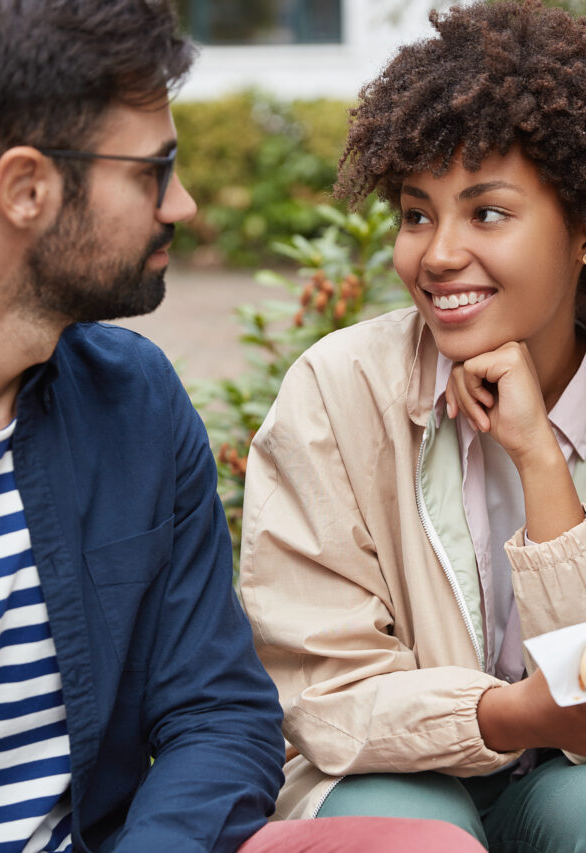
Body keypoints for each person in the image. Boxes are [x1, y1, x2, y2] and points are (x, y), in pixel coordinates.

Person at [0, 1, 490, 852]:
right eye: (152, 171)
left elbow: (221, 712)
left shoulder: (135, 402)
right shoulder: (341, 388)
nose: (185, 205)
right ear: (26, 190)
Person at [240, 0, 586, 849]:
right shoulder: (336, 390)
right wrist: (507, 714)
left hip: (563, 788)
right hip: (389, 777)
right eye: (416, 212)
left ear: (582, 231)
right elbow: (325, 691)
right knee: (417, 827)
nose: (436, 255)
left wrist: (539, 456)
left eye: (488, 213)